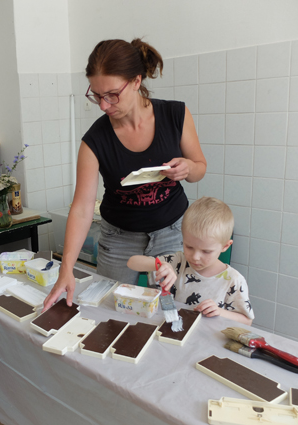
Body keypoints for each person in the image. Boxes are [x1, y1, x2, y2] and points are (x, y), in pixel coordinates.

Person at [43, 38, 207, 311]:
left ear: (136, 81)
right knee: (111, 308)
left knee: (171, 310)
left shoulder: (175, 114)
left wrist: (188, 168)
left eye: (112, 94)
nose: (103, 105)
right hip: (118, 239)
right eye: (97, 95)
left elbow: (199, 167)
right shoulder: (95, 140)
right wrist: (66, 268)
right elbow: (82, 208)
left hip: (172, 231)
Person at [127, 197, 254, 325]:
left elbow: (247, 320)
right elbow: (131, 262)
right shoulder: (177, 261)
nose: (195, 257)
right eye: (189, 247)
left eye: (206, 251)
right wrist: (160, 265)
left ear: (225, 246)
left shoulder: (234, 280)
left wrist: (220, 312)